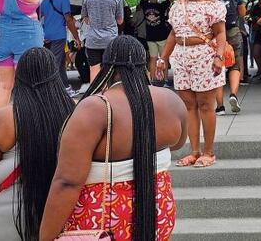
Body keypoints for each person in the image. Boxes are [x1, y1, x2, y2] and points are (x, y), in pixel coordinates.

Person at [41, 37, 186, 239]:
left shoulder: (95, 108)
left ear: (106, 68)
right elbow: (178, 143)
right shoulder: (172, 100)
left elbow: (67, 182)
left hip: (102, 221)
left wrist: (45, 236)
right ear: (144, 64)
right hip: (158, 213)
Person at [0, 48, 75, 241]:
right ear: (55, 75)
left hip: (11, 216)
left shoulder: (2, 119)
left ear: (19, 77)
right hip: (66, 210)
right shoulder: (75, 112)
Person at [156, 0, 226, 168]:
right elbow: (172, 34)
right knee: (188, 106)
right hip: (181, 56)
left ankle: (209, 152)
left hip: (204, 55)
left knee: (205, 105)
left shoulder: (211, 4)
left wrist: (219, 57)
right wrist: (163, 58)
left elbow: (220, 33)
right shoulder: (177, 5)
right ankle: (194, 151)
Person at [209, 0, 245, 115]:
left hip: (215, 34)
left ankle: (220, 107)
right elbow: (242, 13)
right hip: (233, 30)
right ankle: (233, 94)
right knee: (235, 65)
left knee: (218, 68)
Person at [80, 0, 123, 82]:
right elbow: (120, 21)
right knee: (112, 71)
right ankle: (111, 96)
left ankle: (96, 96)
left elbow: (85, 18)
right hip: (111, 40)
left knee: (94, 70)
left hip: (93, 40)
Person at [39, 0, 79, 95]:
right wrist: (76, 37)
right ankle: (51, 91)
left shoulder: (44, 1)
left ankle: (66, 87)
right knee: (55, 63)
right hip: (58, 36)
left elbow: (40, 19)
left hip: (46, 36)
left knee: (61, 62)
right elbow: (69, 19)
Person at [139, 0, 174, 82]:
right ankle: (166, 79)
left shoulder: (145, 5)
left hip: (150, 37)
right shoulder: (161, 6)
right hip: (162, 36)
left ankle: (152, 80)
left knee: (153, 59)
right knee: (164, 58)